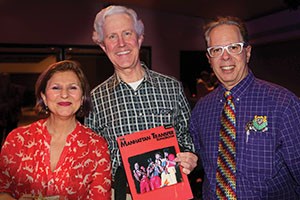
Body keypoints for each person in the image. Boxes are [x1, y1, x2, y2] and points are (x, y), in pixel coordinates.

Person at [84, 4, 198, 198]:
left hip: (172, 191)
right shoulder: (95, 98)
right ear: (103, 46)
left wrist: (191, 156)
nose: (121, 43)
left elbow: (188, 135)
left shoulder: (172, 87)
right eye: (112, 36)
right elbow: (92, 158)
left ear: (140, 38)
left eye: (127, 33)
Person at [190, 16, 300, 199]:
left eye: (234, 47)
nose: (225, 57)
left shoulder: (283, 104)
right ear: (209, 58)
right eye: (217, 50)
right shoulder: (201, 110)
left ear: (247, 52)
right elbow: (199, 160)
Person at [0, 60, 112, 199]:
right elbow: (3, 190)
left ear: (82, 97)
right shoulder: (17, 140)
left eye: (73, 88)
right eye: (56, 88)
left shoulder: (96, 147)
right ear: (44, 97)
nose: (64, 94)